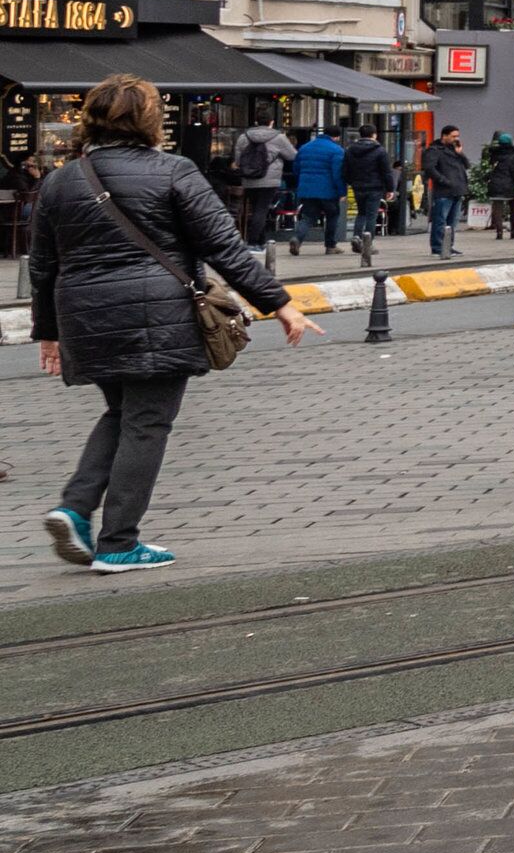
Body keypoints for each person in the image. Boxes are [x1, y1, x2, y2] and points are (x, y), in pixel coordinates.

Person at [32, 75, 314, 572]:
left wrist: (48, 332)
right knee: (148, 423)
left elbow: (43, 265)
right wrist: (280, 302)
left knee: (121, 413)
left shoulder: (60, 180)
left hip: (85, 316)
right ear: (147, 120)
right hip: (157, 314)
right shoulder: (173, 171)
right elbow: (224, 248)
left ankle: (74, 508)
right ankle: (119, 542)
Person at [229, 115, 294, 247]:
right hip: (270, 179)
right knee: (262, 210)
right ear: (272, 122)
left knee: (256, 208)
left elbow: (237, 159)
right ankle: (253, 242)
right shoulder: (279, 137)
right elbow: (292, 155)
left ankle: (261, 241)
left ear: (256, 122)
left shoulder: (244, 137)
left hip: (249, 178)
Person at [287, 122, 346, 253]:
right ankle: (330, 245)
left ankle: (297, 238)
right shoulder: (337, 150)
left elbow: (296, 168)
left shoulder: (305, 147)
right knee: (332, 216)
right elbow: (338, 173)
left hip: (307, 189)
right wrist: (342, 191)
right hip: (328, 191)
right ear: (336, 137)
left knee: (308, 217)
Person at [419, 127, 472, 258]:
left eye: (457, 136)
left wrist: (461, 153)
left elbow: (467, 165)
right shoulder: (434, 150)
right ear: (444, 136)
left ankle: (449, 245)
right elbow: (429, 168)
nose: (456, 139)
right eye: (453, 136)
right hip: (444, 191)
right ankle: (437, 247)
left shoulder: (454, 150)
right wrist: (443, 180)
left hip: (457, 190)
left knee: (452, 222)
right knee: (440, 220)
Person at [342, 123, 398, 239]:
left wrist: (351, 182)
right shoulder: (380, 150)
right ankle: (368, 242)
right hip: (375, 187)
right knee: (371, 215)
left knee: (361, 213)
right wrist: (390, 189)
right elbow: (386, 172)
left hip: (357, 186)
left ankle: (356, 237)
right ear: (374, 135)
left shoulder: (350, 150)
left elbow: (345, 169)